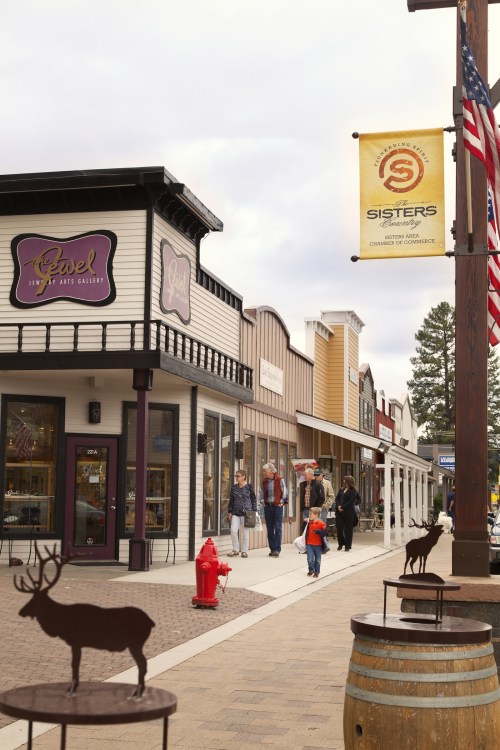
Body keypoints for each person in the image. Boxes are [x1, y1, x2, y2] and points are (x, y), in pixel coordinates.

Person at [227, 469, 257, 558]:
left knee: (245, 533)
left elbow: (253, 499)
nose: (236, 478)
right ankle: (235, 549)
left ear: (243, 477)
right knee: (233, 530)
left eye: (238, 476)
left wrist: (254, 511)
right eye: (236, 476)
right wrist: (230, 511)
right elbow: (231, 500)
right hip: (236, 512)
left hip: (247, 513)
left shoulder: (249, 487)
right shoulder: (234, 487)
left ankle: (244, 551)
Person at [262, 463, 288, 557]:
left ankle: (277, 549)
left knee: (277, 528)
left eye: (266, 471)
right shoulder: (265, 481)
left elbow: (285, 491)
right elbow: (263, 492)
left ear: (271, 472)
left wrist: (282, 502)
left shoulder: (280, 479)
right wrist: (263, 501)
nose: (264, 473)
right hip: (268, 506)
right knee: (269, 529)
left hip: (277, 506)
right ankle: (272, 549)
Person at [335, 475, 358, 552]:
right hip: (339, 512)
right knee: (339, 529)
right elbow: (337, 498)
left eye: (345, 480)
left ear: (349, 482)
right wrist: (338, 506)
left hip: (349, 513)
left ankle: (347, 546)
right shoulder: (341, 489)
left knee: (348, 530)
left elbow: (351, 502)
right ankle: (340, 544)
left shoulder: (353, 491)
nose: (344, 481)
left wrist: (343, 507)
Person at [305, 506, 327, 578]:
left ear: (316, 515)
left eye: (310, 514)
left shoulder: (321, 523)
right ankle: (311, 570)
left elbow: (324, 533)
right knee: (310, 558)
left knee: (318, 559)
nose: (309, 515)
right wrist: (305, 523)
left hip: (318, 545)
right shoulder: (309, 522)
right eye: (309, 514)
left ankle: (317, 572)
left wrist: (318, 531)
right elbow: (304, 530)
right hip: (309, 544)